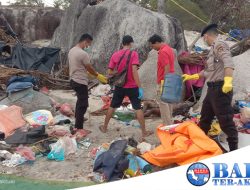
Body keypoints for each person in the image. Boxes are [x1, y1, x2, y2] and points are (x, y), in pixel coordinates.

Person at [183, 24, 238, 151]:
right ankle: (201, 145)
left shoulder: (220, 45)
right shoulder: (212, 49)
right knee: (205, 117)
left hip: (221, 88)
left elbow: (229, 62)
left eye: (204, 38)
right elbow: (207, 71)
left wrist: (228, 81)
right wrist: (192, 76)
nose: (204, 40)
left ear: (207, 36)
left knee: (225, 121)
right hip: (212, 89)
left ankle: (234, 151)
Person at [99, 35, 153, 140]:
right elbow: (134, 71)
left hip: (119, 85)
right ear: (131, 43)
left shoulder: (115, 55)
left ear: (122, 43)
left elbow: (109, 72)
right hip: (132, 86)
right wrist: (139, 87)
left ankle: (105, 127)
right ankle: (144, 132)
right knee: (138, 108)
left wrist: (118, 72)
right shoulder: (134, 54)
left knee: (112, 106)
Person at [69, 33, 107, 130]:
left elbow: (78, 65)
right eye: (88, 44)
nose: (88, 46)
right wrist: (97, 75)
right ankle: (78, 127)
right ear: (85, 41)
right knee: (83, 104)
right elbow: (89, 67)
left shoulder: (72, 51)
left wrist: (88, 73)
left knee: (80, 101)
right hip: (80, 82)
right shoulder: (83, 53)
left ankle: (78, 118)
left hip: (73, 80)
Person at [148, 34, 175, 125]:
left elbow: (166, 66)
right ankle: (169, 121)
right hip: (171, 78)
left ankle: (167, 124)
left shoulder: (163, 52)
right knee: (169, 102)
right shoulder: (168, 48)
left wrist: (165, 81)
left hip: (164, 80)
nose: (152, 48)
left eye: (152, 45)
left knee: (162, 103)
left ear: (156, 43)